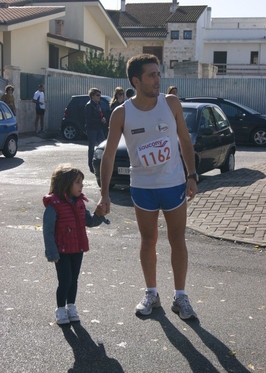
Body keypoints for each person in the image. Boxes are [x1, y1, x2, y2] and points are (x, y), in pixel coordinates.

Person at [98, 54, 198, 320]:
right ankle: (151, 293)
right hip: (142, 187)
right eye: (152, 75)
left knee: (177, 239)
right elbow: (108, 155)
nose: (158, 80)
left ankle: (181, 295)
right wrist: (104, 193)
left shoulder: (171, 103)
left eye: (158, 74)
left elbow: (185, 140)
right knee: (148, 240)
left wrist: (192, 175)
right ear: (136, 81)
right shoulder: (121, 113)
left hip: (173, 183)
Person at [43, 164, 109, 325]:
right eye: (77, 182)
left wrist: (99, 215)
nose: (82, 185)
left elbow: (89, 221)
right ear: (66, 183)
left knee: (74, 280)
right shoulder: (54, 205)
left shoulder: (80, 203)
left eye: (82, 181)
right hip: (62, 251)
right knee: (65, 280)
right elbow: (48, 231)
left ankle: (71, 306)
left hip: (77, 248)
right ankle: (60, 309)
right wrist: (52, 252)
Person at [85, 88, 107, 173]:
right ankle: (91, 165)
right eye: (97, 95)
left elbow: (101, 114)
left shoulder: (98, 104)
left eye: (99, 95)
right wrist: (99, 120)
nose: (99, 97)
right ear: (92, 96)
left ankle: (103, 163)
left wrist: (103, 119)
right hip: (91, 129)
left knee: (103, 146)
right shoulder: (89, 105)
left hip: (99, 128)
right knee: (91, 148)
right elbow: (89, 119)